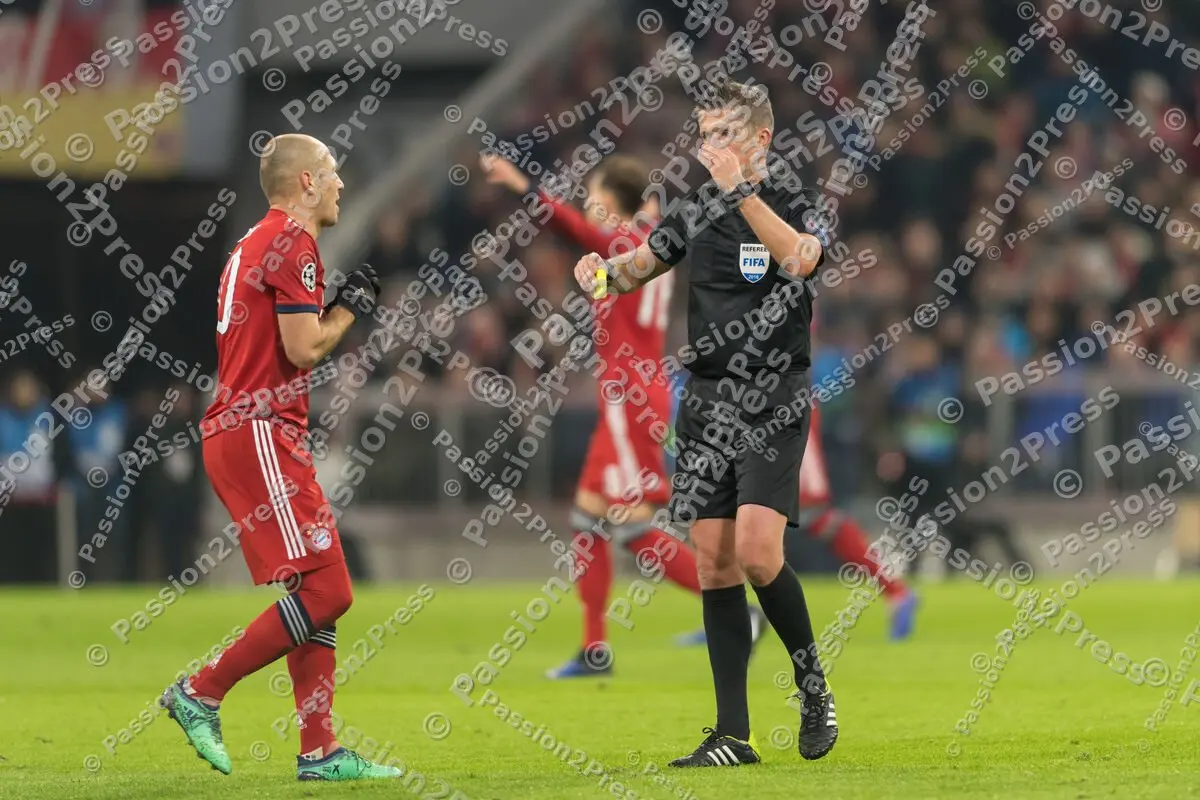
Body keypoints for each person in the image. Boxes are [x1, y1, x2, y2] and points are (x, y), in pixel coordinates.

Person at [573, 80, 836, 767]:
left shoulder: (791, 197)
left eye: (723, 134)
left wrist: (743, 195)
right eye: (704, 133)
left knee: (756, 552)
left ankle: (814, 691)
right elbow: (637, 269)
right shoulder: (693, 210)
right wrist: (600, 274)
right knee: (715, 560)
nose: (708, 146)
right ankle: (732, 734)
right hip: (707, 399)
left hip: (773, 392)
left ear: (760, 140)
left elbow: (801, 259)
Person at [158, 133, 395, 782]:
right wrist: (349, 310)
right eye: (333, 171)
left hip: (246, 430)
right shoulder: (294, 243)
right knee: (331, 589)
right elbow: (303, 348)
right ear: (307, 184)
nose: (342, 182)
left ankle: (319, 752)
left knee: (312, 588)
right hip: (261, 431)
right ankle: (201, 690)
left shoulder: (251, 243)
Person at [479, 151, 767, 679]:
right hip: (634, 390)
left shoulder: (624, 244)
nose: (587, 204)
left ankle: (738, 609)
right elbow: (642, 221)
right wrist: (647, 207)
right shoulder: (651, 238)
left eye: (594, 195)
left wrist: (522, 183)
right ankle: (595, 650)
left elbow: (561, 223)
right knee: (587, 519)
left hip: (628, 397)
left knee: (634, 530)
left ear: (614, 205)